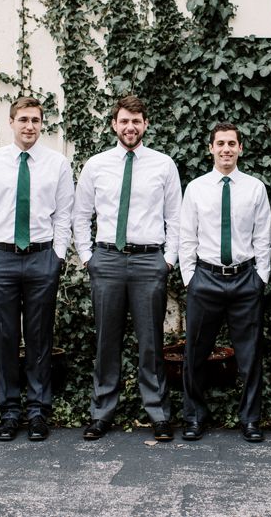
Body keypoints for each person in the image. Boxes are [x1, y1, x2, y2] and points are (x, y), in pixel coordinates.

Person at [74, 94, 181, 442]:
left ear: (145, 124)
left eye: (136, 121)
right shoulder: (96, 165)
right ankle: (102, 413)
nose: (130, 127)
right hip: (107, 259)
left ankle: (158, 414)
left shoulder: (163, 165)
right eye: (124, 121)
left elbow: (175, 217)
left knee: (151, 342)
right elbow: (80, 215)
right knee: (107, 340)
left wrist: (169, 259)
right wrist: (88, 256)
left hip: (150, 261)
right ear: (114, 125)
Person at [0, 98, 73, 442]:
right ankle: (10, 411)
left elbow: (63, 215)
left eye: (36, 120)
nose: (29, 126)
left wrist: (57, 256)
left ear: (42, 124)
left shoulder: (56, 164)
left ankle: (38, 411)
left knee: (40, 337)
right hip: (1, 258)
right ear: (11, 122)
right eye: (23, 119)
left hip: (42, 258)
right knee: (5, 337)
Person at [176, 122, 271, 443]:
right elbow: (186, 236)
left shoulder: (255, 188)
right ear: (211, 148)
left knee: (250, 356)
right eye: (220, 143)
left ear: (240, 148)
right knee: (195, 353)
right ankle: (194, 416)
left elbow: (263, 237)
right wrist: (191, 278)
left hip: (245, 280)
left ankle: (250, 419)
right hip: (206, 279)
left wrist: (260, 278)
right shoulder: (197, 188)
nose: (226, 149)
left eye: (232, 143)